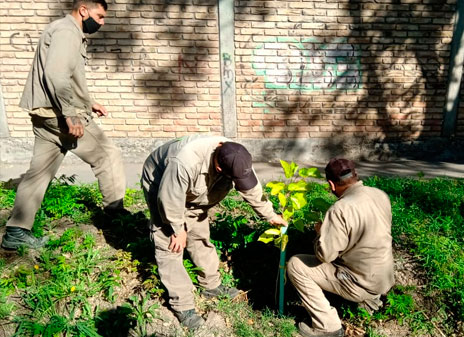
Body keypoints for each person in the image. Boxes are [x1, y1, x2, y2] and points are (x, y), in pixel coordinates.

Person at [1, 0, 126, 250]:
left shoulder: (59, 29)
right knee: (107, 155)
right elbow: (57, 75)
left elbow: (66, 77)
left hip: (44, 114)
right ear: (83, 10)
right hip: (60, 117)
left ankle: (16, 232)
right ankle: (117, 219)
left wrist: (89, 101)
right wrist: (71, 115)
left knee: (39, 172)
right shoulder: (68, 32)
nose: (101, 23)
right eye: (99, 17)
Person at [141, 135, 288, 329]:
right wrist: (177, 229)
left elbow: (251, 188)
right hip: (161, 181)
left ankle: (210, 285)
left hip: (194, 190)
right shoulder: (185, 162)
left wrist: (269, 215)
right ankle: (182, 304)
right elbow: (169, 198)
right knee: (171, 245)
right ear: (219, 169)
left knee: (199, 234)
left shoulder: (236, 155)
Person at [287, 158, 394, 337]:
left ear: (331, 184)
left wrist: (322, 234)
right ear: (356, 175)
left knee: (296, 265)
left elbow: (325, 256)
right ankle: (372, 298)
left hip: (360, 283)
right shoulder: (380, 195)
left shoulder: (340, 209)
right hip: (385, 277)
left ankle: (327, 327)